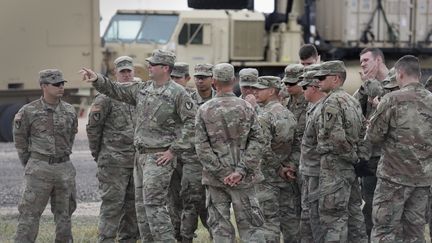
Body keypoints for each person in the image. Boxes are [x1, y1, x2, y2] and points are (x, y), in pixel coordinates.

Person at [80, 49, 196, 242]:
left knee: (154, 205)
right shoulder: (143, 89)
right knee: (141, 209)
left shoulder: (178, 93)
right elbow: (115, 90)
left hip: (159, 158)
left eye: (153, 64)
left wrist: (173, 150)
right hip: (139, 158)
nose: (148, 67)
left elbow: (193, 124)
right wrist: (96, 79)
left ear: (165, 68)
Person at [195, 63, 266, 242]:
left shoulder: (204, 110)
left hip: (216, 180)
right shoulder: (247, 107)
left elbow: (201, 147)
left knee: (220, 229)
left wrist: (222, 172)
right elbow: (258, 141)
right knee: (251, 229)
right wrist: (240, 171)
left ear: (214, 82)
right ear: (233, 81)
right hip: (244, 179)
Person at [366, 55, 432, 242]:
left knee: (384, 231)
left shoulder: (391, 100)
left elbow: (374, 136)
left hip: (392, 180)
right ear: (419, 75)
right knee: (415, 233)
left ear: (400, 74)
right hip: (422, 181)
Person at [13, 69, 78, 243]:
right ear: (44, 86)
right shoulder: (28, 111)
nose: (61, 87)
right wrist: (33, 163)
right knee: (29, 216)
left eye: (62, 83)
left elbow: (71, 137)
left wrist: (61, 158)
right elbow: (20, 141)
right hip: (39, 169)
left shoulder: (70, 111)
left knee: (64, 216)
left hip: (64, 168)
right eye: (56, 84)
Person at [86, 56, 139, 243]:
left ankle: (128, 239)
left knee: (133, 206)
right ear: (115, 73)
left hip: (137, 162)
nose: (126, 74)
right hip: (113, 163)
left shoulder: (140, 94)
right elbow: (93, 129)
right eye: (122, 71)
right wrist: (99, 155)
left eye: (128, 71)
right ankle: (106, 239)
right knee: (112, 206)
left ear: (134, 72)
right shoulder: (106, 97)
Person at [313, 61, 368, 242]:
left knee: (333, 218)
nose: (318, 81)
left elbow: (336, 138)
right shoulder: (352, 101)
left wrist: (352, 158)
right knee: (354, 215)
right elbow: (362, 132)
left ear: (336, 79)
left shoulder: (331, 102)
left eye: (322, 77)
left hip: (335, 168)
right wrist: (358, 158)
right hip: (350, 169)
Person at [250, 76, 297, 243]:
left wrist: (278, 168)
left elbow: (262, 147)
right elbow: (297, 144)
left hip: (268, 176)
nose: (254, 91)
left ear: (271, 91)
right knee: (290, 220)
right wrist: (289, 166)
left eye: (259, 89)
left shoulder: (264, 116)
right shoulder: (288, 114)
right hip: (287, 175)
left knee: (269, 222)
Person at [354, 47, 389, 238]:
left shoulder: (397, 82)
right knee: (369, 206)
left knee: (389, 210)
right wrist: (364, 87)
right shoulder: (367, 85)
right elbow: (354, 109)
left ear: (378, 61)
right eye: (361, 62)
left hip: (392, 159)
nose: (363, 65)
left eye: (366, 60)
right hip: (371, 159)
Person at [178, 63, 215, 242]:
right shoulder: (187, 100)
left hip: (216, 162)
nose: (200, 81)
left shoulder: (220, 100)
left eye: (204, 77)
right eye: (197, 77)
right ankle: (186, 238)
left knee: (215, 206)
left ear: (212, 79)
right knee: (190, 203)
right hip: (192, 161)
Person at [296, 68, 327, 243]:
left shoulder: (322, 109)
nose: (303, 91)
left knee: (316, 218)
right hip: (309, 171)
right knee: (308, 216)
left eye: (305, 87)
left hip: (317, 172)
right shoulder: (313, 108)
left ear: (314, 88)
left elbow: (324, 144)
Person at [168, 61, 192, 240]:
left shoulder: (193, 98)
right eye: (172, 77)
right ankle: (177, 236)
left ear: (186, 78)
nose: (175, 80)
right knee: (172, 201)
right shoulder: (165, 96)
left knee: (192, 201)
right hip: (171, 157)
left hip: (191, 159)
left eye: (178, 77)